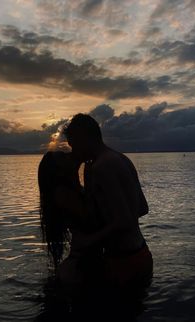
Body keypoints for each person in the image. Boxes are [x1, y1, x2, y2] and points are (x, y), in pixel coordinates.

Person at [62, 113, 153, 315]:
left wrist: (88, 241)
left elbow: (124, 222)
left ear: (84, 138)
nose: (72, 150)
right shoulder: (120, 158)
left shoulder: (102, 167)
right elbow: (142, 208)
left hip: (123, 263)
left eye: (73, 143)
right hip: (141, 255)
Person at [38, 150, 104, 314]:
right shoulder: (62, 193)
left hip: (83, 260)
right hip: (80, 265)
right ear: (59, 170)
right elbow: (91, 220)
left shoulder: (71, 189)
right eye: (64, 157)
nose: (70, 155)